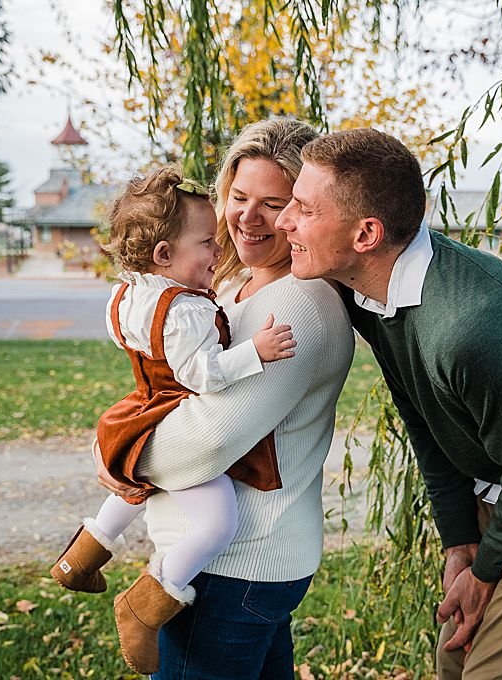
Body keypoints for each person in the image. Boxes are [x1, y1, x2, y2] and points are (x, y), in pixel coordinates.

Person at [274, 128, 502, 679]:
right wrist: (461, 542)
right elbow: (426, 420)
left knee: (497, 669)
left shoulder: (467, 330)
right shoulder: (369, 292)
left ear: (366, 234)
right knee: (456, 656)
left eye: (303, 209)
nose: (285, 221)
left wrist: (489, 569)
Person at [95, 118, 354, 679]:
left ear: (304, 210)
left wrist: (114, 452)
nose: (247, 217)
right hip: (234, 564)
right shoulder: (232, 287)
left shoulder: (299, 306)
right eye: (238, 196)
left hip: (235, 570)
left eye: (274, 202)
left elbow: (206, 443)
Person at [51, 166, 297, 674]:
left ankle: (80, 558)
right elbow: (204, 373)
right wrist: (257, 350)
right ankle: (148, 602)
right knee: (217, 520)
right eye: (207, 242)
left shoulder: (126, 295)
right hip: (174, 405)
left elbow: (138, 347)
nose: (217, 250)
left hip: (140, 405)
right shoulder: (186, 310)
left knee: (131, 480)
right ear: (165, 255)